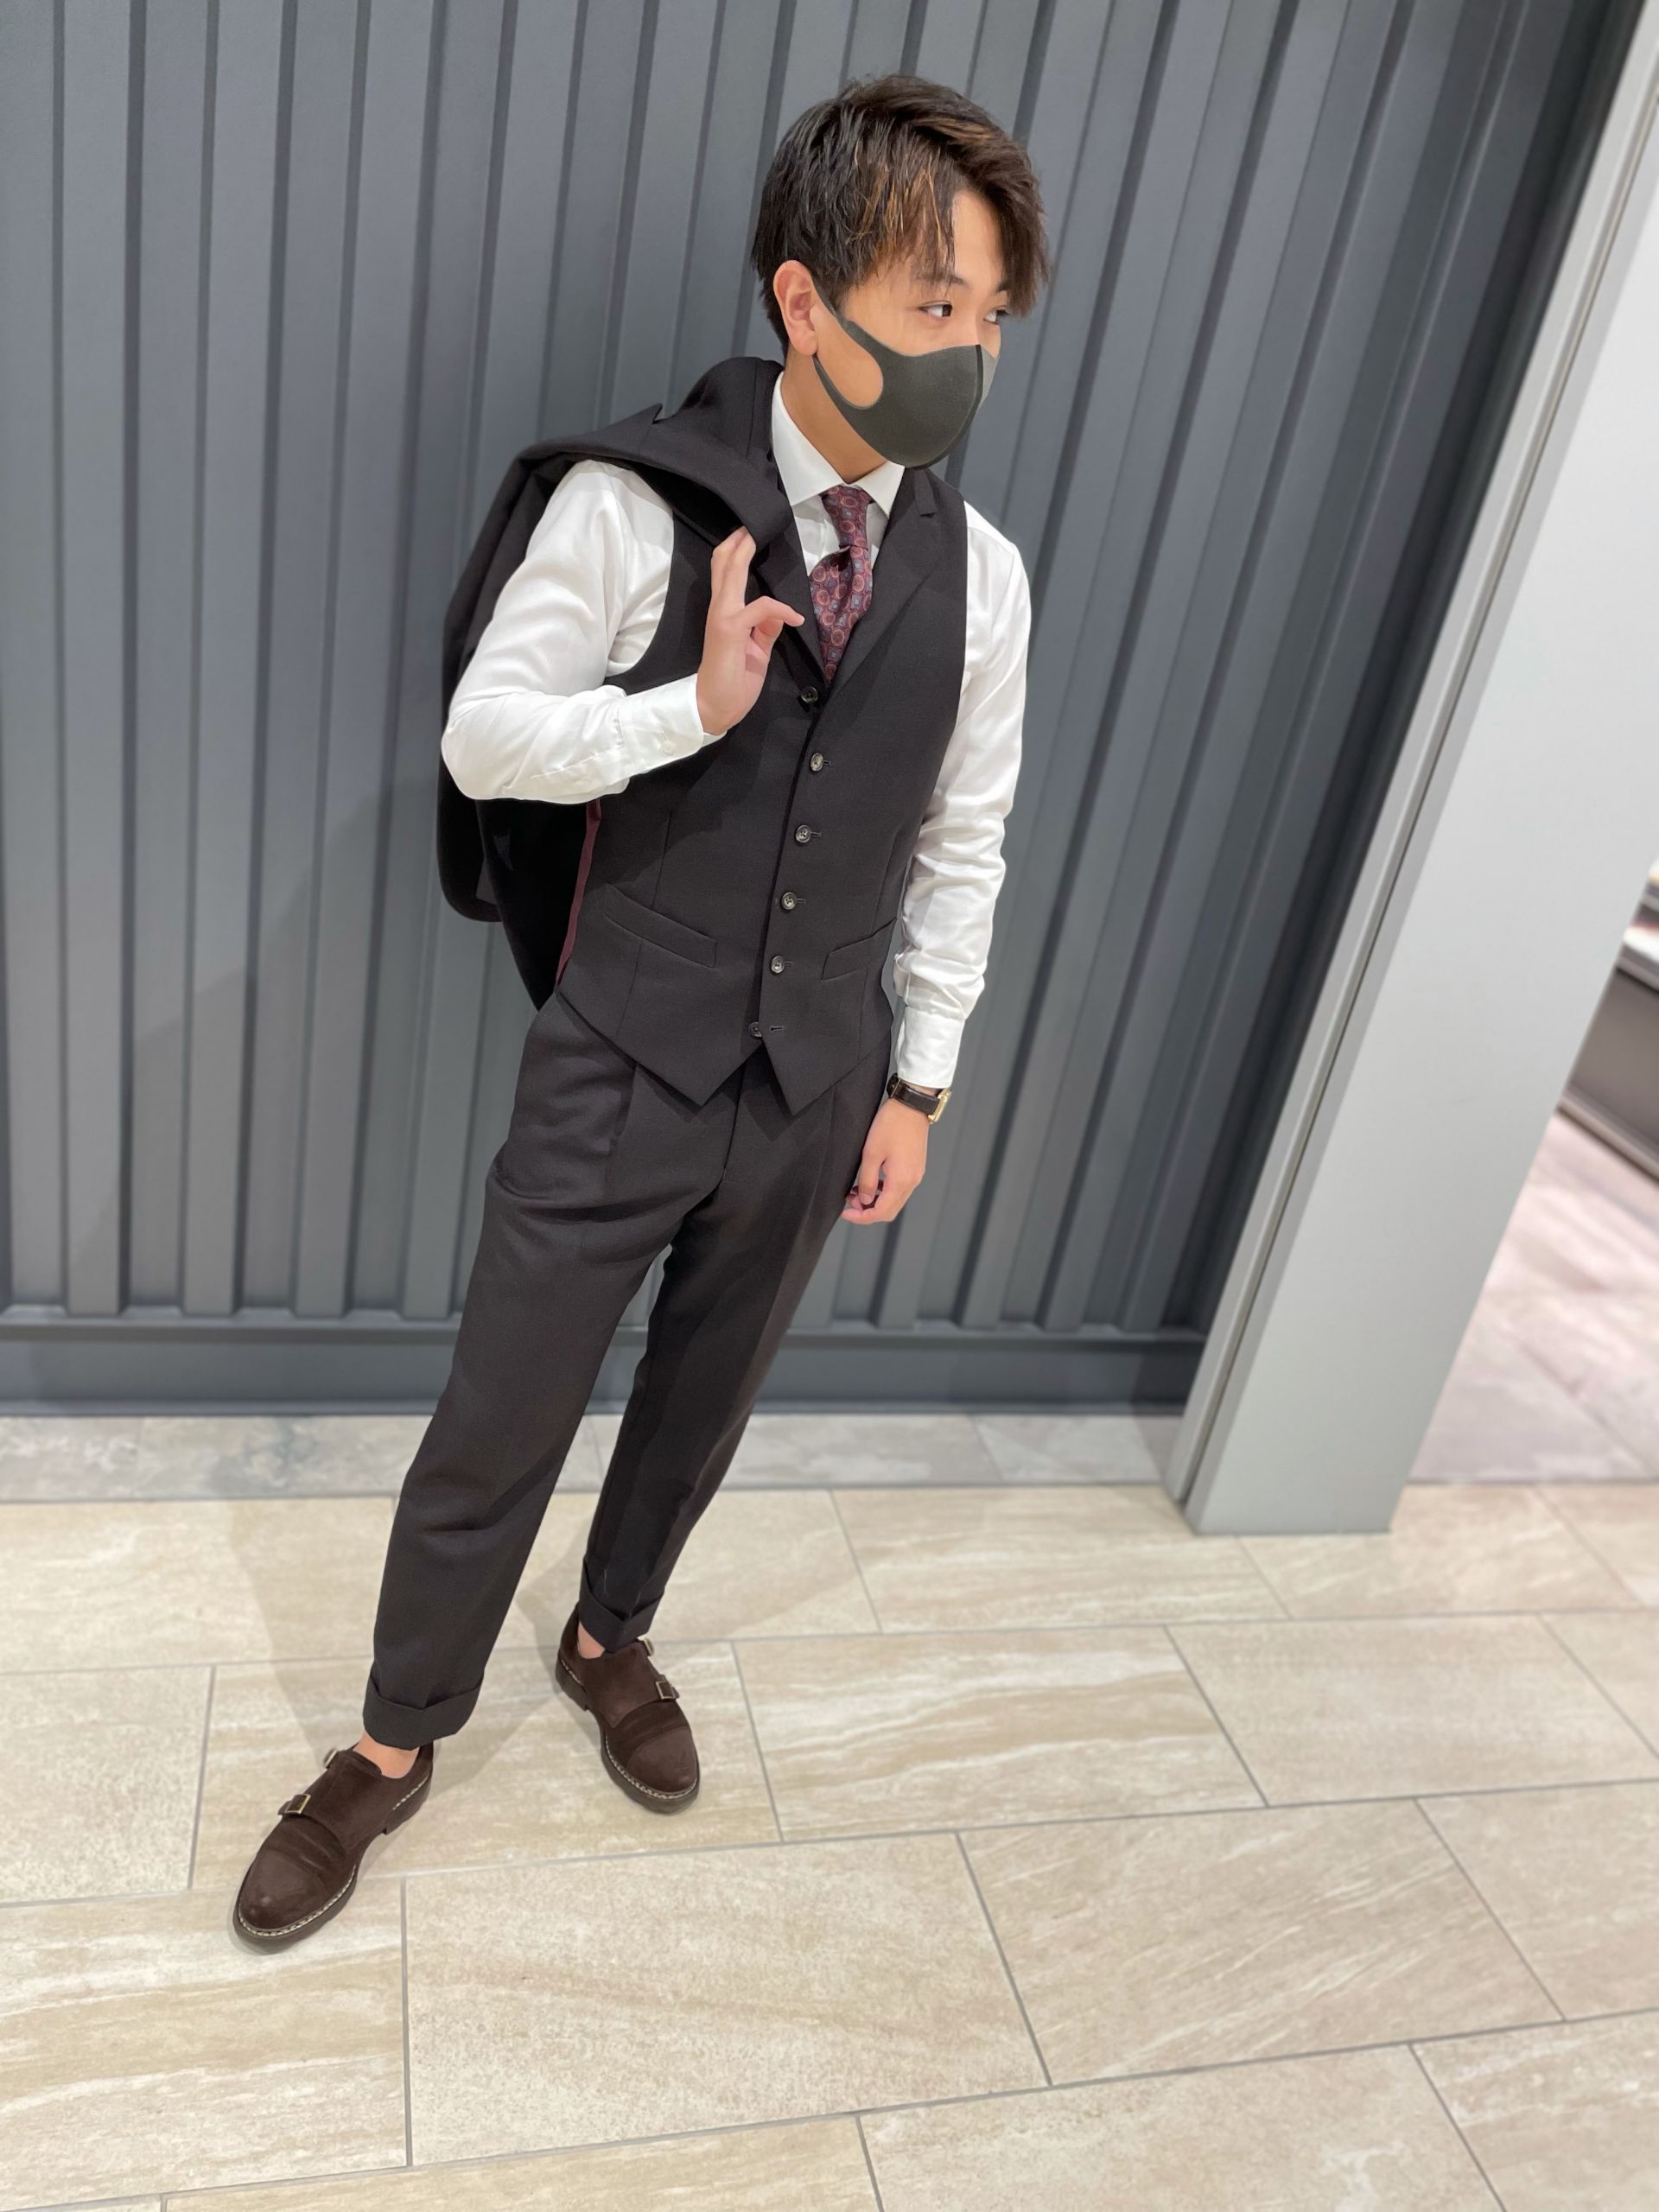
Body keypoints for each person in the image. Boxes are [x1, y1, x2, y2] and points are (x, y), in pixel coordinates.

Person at [234, 72, 1048, 1948]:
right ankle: (390, 1740)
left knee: (705, 1396)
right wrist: (687, 709)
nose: (972, 353)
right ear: (804, 300)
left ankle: (612, 1634)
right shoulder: (629, 501)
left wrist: (919, 1078)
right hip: (621, 1054)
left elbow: (965, 838)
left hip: (819, 1076)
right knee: (501, 1411)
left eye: (993, 315)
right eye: (936, 304)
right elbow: (486, 736)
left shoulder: (984, 580)